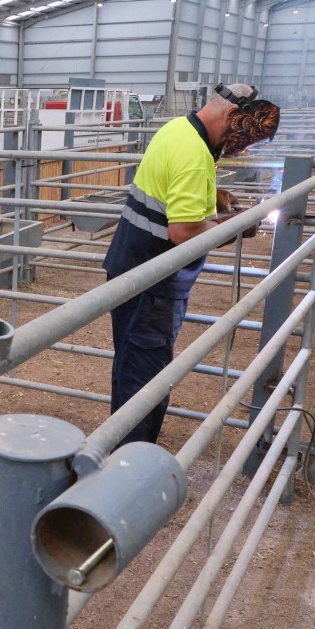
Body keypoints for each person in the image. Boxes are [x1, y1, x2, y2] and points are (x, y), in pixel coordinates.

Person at [105, 83, 280, 445]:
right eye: (241, 140)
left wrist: (213, 194)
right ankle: (131, 464)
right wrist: (235, 226)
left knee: (132, 367)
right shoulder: (194, 153)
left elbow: (174, 187)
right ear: (232, 116)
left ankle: (122, 449)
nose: (240, 149)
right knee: (145, 379)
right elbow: (183, 231)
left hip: (133, 267)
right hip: (152, 280)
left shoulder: (180, 129)